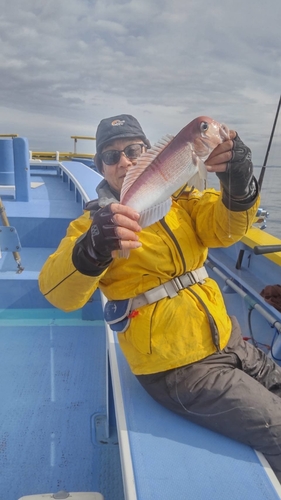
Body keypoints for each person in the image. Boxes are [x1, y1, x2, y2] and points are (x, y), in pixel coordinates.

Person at [39, 113, 281, 480]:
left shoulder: (184, 201)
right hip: (180, 370)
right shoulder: (93, 225)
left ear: (148, 152)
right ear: (100, 167)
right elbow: (58, 291)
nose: (124, 161)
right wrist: (91, 249)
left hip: (228, 338)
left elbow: (227, 228)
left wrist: (238, 180)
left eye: (133, 149)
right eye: (110, 155)